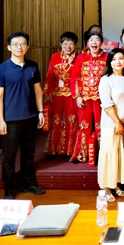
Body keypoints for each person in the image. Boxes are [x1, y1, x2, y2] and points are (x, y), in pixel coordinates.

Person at [0, 31, 45, 199]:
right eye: (15, 44)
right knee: (9, 156)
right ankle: (8, 191)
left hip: (30, 117)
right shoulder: (1, 69)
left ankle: (29, 184)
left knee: (29, 154)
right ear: (9, 47)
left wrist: (41, 112)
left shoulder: (33, 66)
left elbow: (38, 91)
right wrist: (1, 120)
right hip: (11, 120)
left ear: (27, 47)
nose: (19, 47)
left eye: (23, 44)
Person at [98, 48, 124, 202]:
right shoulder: (106, 79)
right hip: (111, 124)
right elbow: (106, 104)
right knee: (109, 154)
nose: (118, 62)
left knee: (120, 155)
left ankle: (116, 185)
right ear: (110, 62)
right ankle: (106, 187)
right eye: (114, 59)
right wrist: (117, 122)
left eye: (121, 58)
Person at [70, 31, 107, 165]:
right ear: (88, 43)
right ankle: (82, 154)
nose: (94, 42)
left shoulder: (107, 57)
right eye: (91, 40)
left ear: (101, 42)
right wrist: (78, 96)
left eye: (97, 40)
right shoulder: (81, 58)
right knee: (84, 126)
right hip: (85, 98)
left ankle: (102, 155)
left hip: (101, 99)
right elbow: (74, 78)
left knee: (101, 126)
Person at [43, 32, 79, 160]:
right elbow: (50, 74)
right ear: (61, 44)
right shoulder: (55, 57)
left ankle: (70, 151)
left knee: (71, 120)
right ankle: (53, 150)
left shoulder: (78, 58)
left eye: (71, 43)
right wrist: (47, 93)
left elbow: (77, 78)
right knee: (56, 121)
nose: (68, 46)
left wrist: (72, 63)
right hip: (57, 94)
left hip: (71, 95)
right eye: (65, 43)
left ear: (75, 45)